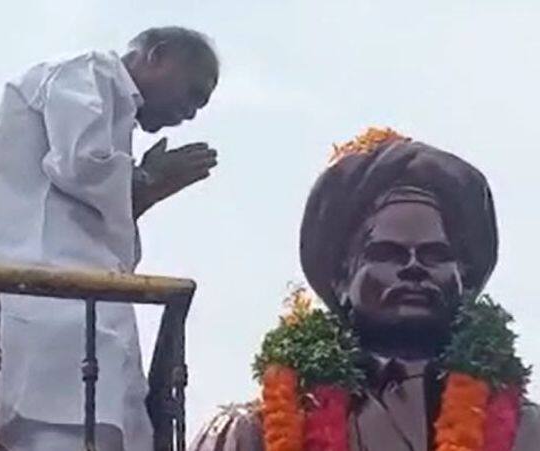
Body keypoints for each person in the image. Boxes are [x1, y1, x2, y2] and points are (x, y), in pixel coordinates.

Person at [0, 26, 220, 451]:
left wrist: (145, 190)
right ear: (158, 55)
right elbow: (79, 165)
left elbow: (92, 218)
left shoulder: (113, 105)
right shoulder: (87, 73)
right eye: (193, 94)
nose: (189, 113)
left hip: (68, 322)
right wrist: (147, 179)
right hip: (47, 320)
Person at [189, 129, 540, 450]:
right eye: (387, 254)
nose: (414, 267)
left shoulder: (528, 432)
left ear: (463, 281)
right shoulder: (251, 433)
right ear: (342, 280)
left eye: (435, 255)